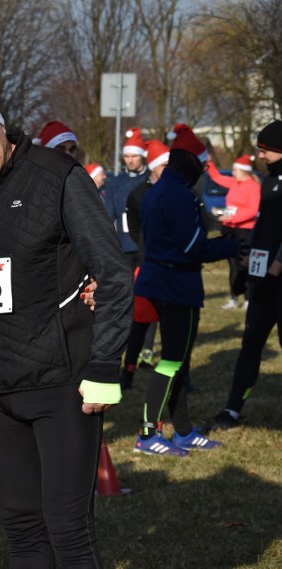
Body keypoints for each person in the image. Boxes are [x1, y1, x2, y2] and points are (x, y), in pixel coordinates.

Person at [0, 69, 133, 568]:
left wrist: (104, 371)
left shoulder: (57, 175)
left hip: (62, 385)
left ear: (1, 127)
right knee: (21, 527)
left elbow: (114, 275)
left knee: (67, 530)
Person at [132, 123, 240, 455]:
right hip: (176, 286)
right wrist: (231, 246)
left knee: (177, 362)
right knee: (172, 363)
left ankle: (183, 430)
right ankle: (148, 434)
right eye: (203, 166)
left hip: (160, 281)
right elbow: (195, 247)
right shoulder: (180, 195)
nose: (205, 173)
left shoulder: (158, 191)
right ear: (190, 164)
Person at [212, 119, 282, 430]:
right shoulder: (268, 182)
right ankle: (232, 410)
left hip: (278, 278)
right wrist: (248, 263)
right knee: (250, 344)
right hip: (263, 283)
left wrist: (278, 263)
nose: (260, 156)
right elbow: (262, 226)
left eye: (265, 150)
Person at [120, 138, 170, 389]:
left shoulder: (176, 190)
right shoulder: (138, 194)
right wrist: (147, 250)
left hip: (172, 267)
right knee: (139, 321)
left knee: (174, 324)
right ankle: (128, 371)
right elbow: (134, 230)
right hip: (146, 264)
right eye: (165, 165)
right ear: (154, 166)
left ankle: (182, 376)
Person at [207, 155, 261, 309]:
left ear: (244, 171)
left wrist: (232, 218)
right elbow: (217, 177)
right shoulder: (234, 183)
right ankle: (233, 297)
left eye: (235, 170)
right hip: (230, 228)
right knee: (233, 264)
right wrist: (209, 162)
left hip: (245, 230)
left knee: (245, 264)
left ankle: (249, 299)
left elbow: (253, 210)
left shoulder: (253, 187)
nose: (232, 173)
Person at [103, 127, 150, 268]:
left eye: (134, 156)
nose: (130, 161)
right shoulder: (116, 183)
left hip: (148, 242)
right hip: (124, 244)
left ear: (142, 156)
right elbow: (108, 215)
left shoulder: (150, 179)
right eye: (127, 156)